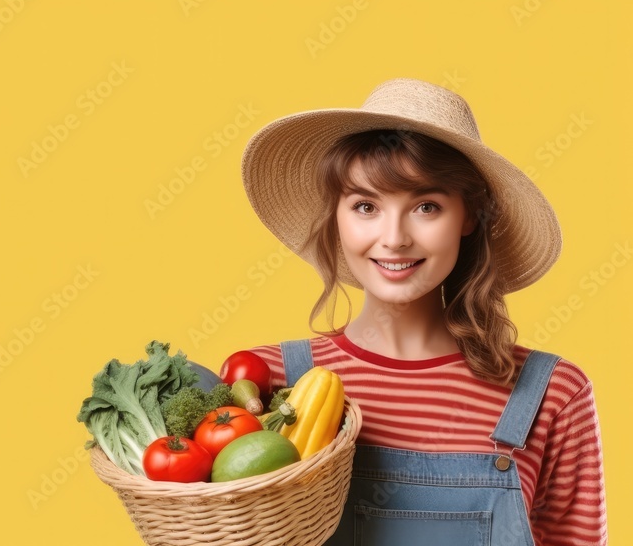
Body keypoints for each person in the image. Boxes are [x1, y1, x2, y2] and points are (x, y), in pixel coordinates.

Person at [240, 78, 606, 545]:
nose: (394, 237)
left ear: (468, 217)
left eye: (426, 206)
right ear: (337, 216)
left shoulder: (552, 396)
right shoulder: (265, 383)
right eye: (366, 205)